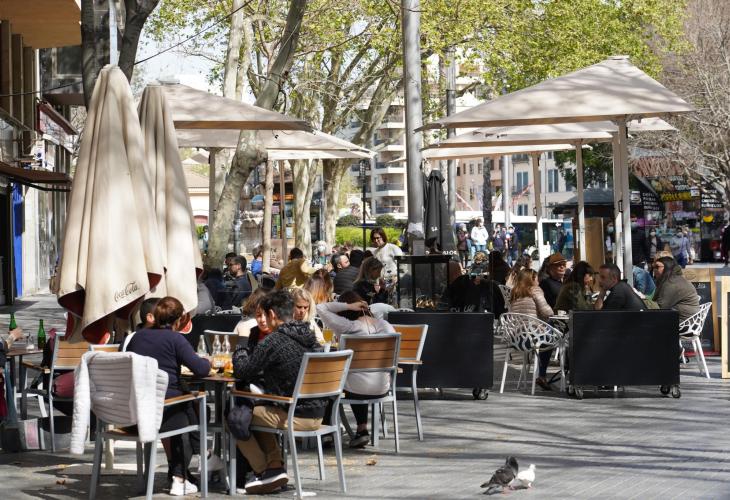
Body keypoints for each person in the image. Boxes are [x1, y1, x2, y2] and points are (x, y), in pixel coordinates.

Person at [232, 291, 325, 494]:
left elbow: (242, 370)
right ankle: (274, 465)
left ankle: (264, 471)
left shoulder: (274, 340)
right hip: (319, 413)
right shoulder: (309, 335)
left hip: (294, 415)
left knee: (236, 415)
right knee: (259, 408)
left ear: (272, 315)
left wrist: (241, 344)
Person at [126, 297, 212, 496]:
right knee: (194, 409)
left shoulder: (136, 338)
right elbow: (201, 369)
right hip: (163, 413)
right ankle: (182, 475)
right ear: (179, 320)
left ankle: (192, 466)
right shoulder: (175, 339)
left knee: (189, 405)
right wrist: (208, 362)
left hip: (133, 414)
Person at [316, 291, 396, 448]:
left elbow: (321, 308)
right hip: (383, 387)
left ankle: (327, 431)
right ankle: (362, 430)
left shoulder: (348, 326)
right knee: (357, 377)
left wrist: (347, 306)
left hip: (356, 388)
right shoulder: (386, 326)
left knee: (332, 382)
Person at [509, 269, 554, 390]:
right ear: (531, 279)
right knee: (553, 336)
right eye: (537, 278)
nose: (538, 281)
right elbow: (547, 312)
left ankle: (539, 373)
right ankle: (542, 375)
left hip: (517, 339)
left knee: (548, 334)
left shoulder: (514, 293)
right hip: (532, 337)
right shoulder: (535, 290)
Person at [652, 256, 700, 322]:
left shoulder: (671, 283)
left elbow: (659, 308)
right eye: (653, 267)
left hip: (684, 321)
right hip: (685, 318)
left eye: (657, 267)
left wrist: (644, 299)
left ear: (667, 267)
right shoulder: (674, 278)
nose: (654, 270)